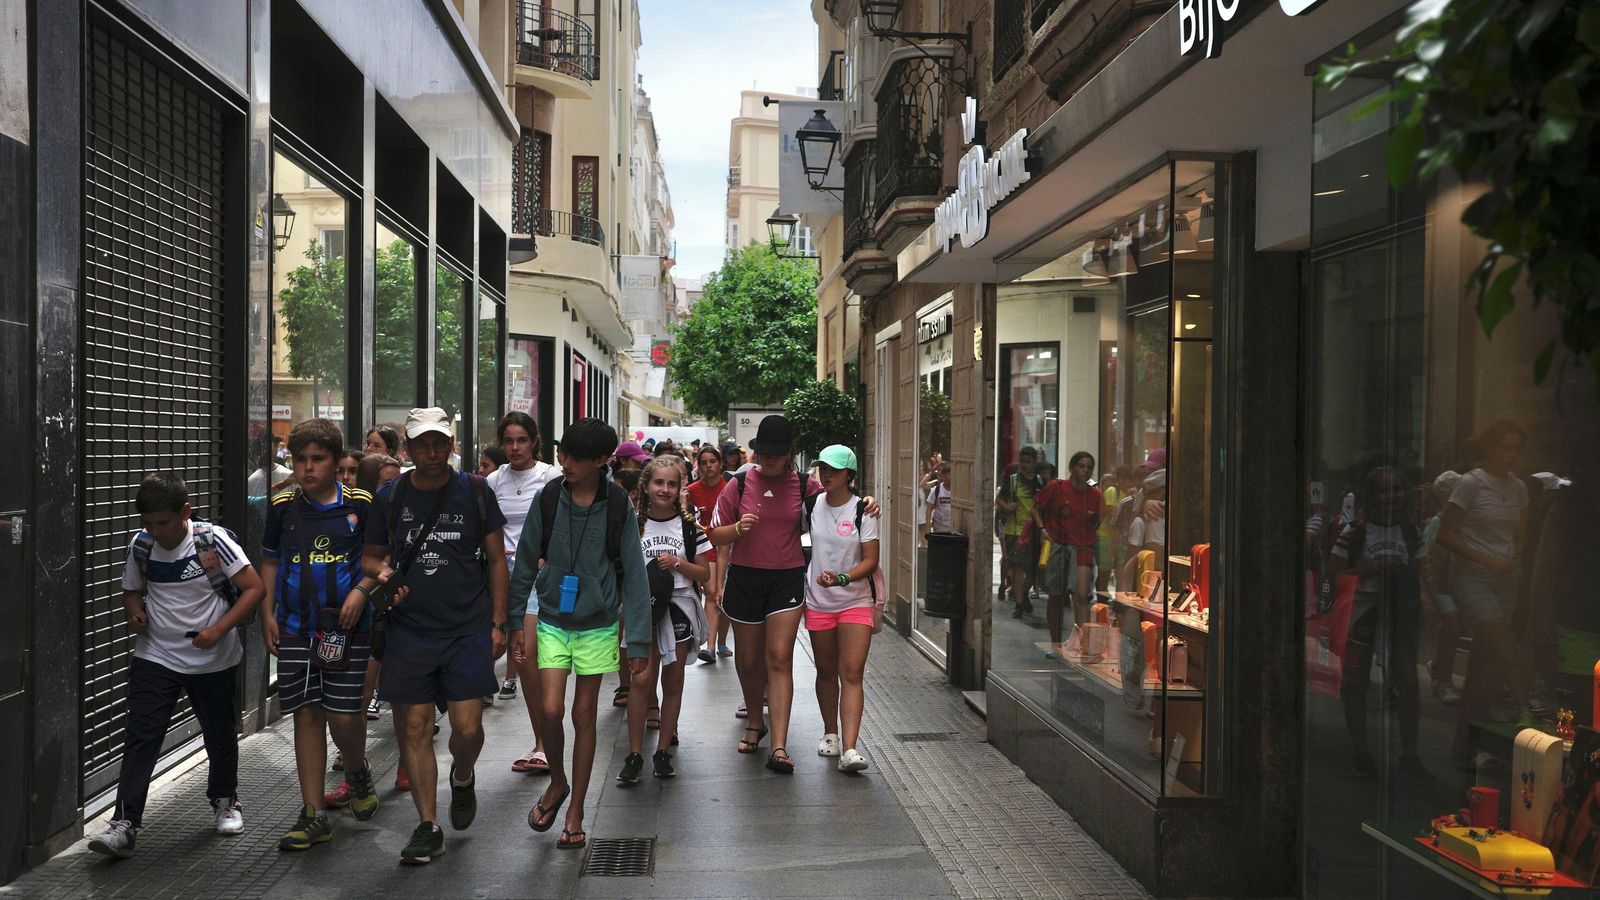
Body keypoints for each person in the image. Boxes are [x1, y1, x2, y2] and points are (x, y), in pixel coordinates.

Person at [89, 473, 265, 860]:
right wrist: (135, 612)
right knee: (142, 736)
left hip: (213, 658)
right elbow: (132, 590)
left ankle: (225, 800)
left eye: (163, 522)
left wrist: (218, 629)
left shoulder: (211, 541)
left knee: (219, 733)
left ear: (185, 511)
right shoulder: (142, 545)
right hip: (157, 655)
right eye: (149, 523)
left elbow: (254, 588)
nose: (156, 531)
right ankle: (125, 823)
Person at [363, 407, 510, 865]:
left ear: (451, 444)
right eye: (422, 444)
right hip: (410, 629)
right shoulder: (390, 496)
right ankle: (428, 825)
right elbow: (370, 557)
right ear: (408, 448)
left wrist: (499, 623)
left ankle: (462, 775)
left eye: (439, 443)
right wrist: (383, 572)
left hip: (467, 627)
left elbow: (498, 560)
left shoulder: (476, 491)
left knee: (467, 729)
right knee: (414, 726)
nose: (431, 452)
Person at [708, 415, 879, 774]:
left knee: (779, 657)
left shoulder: (804, 486)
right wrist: (737, 528)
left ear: (789, 453)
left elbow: (838, 502)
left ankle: (780, 746)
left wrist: (867, 502)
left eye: (777, 453)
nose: (769, 459)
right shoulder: (739, 484)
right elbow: (715, 535)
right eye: (764, 453)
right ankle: (756, 722)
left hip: (786, 578)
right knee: (749, 661)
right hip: (745, 578)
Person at [511, 418, 650, 850]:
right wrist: (513, 622)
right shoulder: (549, 497)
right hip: (552, 617)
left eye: (574, 457)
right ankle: (558, 781)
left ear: (602, 460)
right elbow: (524, 562)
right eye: (562, 454)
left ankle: (576, 812)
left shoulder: (617, 504)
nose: (565, 462)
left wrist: (638, 641)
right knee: (550, 709)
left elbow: (636, 576)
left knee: (583, 714)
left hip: (599, 623)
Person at [260, 419, 382, 848]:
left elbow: (378, 560)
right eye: (300, 459)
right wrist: (267, 612)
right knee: (306, 713)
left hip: (347, 629)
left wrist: (361, 593)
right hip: (295, 627)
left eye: (318, 459)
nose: (308, 468)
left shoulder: (361, 505)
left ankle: (356, 768)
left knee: (343, 715)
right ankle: (313, 812)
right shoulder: (281, 506)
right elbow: (270, 560)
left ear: (335, 461)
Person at [1328, 465, 1433, 783]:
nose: (1392, 496)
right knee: (1356, 681)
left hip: (1399, 612)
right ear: (1371, 496)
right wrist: (1371, 568)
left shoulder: (1411, 533)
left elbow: (1422, 575)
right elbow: (1334, 575)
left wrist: (1423, 601)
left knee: (1408, 681)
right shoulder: (1354, 533)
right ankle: (1361, 752)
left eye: (1396, 489)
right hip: (1363, 611)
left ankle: (1410, 755)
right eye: (1384, 490)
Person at [1439, 420, 1531, 770]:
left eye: (1517, 449)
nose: (1511, 455)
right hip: (1472, 576)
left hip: (1506, 579)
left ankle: (1464, 746)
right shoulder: (1471, 483)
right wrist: (1485, 559)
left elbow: (1521, 533)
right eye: (1505, 447)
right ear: (1490, 448)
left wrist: (1514, 558)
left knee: (1484, 663)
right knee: (1505, 651)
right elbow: (1445, 534)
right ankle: (1525, 711)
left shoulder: (1519, 487)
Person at [619, 456, 712, 783]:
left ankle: (662, 752)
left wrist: (677, 563)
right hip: (643, 609)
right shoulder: (633, 524)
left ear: (679, 487)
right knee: (640, 680)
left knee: (673, 681)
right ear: (645, 485)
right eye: (659, 482)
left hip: (677, 608)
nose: (665, 489)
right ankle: (634, 754)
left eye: (672, 484)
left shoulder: (689, 526)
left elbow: (705, 573)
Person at [486, 411, 558, 774]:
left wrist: (548, 556)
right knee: (521, 659)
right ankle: (542, 741)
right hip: (502, 576)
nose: (515, 447)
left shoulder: (550, 476)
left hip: (536, 577)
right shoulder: (493, 480)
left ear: (534, 442)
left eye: (522, 440)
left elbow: (561, 524)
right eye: (509, 441)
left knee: (527, 656)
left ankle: (544, 744)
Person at [804, 445, 880, 773]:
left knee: (851, 673)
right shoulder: (811, 505)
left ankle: (850, 748)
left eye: (834, 469)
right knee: (825, 671)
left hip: (855, 601)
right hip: (818, 601)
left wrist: (843, 578)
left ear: (849, 474)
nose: (826, 474)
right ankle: (830, 734)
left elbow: (871, 560)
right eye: (823, 468)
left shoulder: (864, 510)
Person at [1035, 452, 1103, 644]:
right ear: (1072, 468)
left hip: (1082, 548)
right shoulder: (1057, 488)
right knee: (1056, 596)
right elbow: (1035, 508)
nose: (1085, 470)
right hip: (1058, 545)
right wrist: (1042, 530)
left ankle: (1082, 643)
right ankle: (1055, 642)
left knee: (1081, 595)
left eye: (1089, 467)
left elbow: (1098, 520)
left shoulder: (1095, 495)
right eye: (1081, 466)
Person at [685, 444, 732, 663]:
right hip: (704, 548)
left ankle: (720, 642)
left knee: (725, 596)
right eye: (703, 463)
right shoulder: (692, 491)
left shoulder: (730, 488)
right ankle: (710, 646)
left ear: (720, 464)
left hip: (729, 547)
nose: (708, 466)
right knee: (712, 592)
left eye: (712, 461)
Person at [995, 447, 1041, 618]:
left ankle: (1024, 594)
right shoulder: (1013, 480)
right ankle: (1019, 604)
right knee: (1018, 568)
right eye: (1023, 461)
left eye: (1029, 462)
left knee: (1034, 569)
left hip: (1034, 530)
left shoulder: (1040, 482)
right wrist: (1008, 507)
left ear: (1035, 462)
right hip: (1015, 531)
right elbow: (999, 499)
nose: (1025, 465)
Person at [925, 459, 952, 534]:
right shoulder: (937, 490)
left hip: (954, 530)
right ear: (943, 476)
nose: (951, 477)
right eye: (949, 474)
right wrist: (928, 526)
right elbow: (929, 508)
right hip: (939, 530)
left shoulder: (958, 492)